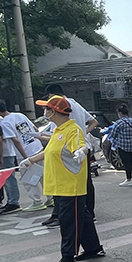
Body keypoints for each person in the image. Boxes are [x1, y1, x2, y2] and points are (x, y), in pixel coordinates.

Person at [18, 95, 103, 262]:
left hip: (70, 185)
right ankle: (93, 248)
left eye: (47, 109)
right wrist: (30, 160)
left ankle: (68, 255)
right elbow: (49, 152)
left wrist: (81, 152)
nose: (45, 112)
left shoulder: (73, 130)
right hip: (59, 184)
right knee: (82, 217)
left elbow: (81, 146)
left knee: (69, 222)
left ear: (55, 111)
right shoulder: (58, 130)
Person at [41, 85, 97, 228]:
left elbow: (73, 139)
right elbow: (93, 122)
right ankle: (86, 213)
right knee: (85, 184)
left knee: (67, 187)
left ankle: (63, 215)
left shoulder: (62, 111)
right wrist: (84, 134)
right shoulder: (75, 104)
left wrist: (81, 141)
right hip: (76, 148)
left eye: (47, 108)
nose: (46, 111)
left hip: (71, 150)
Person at [0, 99, 44, 213]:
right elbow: (35, 128)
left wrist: (25, 157)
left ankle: (37, 202)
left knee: (28, 179)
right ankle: (51, 198)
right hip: (37, 147)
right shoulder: (19, 115)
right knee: (43, 175)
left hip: (25, 152)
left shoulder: (5, 123)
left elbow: (15, 140)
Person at [110, 104, 132, 186]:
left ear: (120, 113)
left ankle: (128, 179)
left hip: (123, 146)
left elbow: (113, 134)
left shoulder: (119, 123)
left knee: (126, 163)